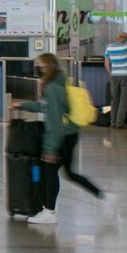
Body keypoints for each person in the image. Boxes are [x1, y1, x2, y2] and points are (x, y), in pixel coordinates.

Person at [13, 53, 105, 225]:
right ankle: (105, 197)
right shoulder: (60, 82)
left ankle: (49, 211)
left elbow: (54, 120)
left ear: (47, 67)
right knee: (69, 173)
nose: (36, 68)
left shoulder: (52, 88)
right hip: (71, 133)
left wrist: (50, 148)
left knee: (49, 171)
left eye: (39, 65)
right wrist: (23, 105)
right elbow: (47, 107)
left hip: (61, 135)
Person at [104, 32, 127, 128]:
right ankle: (119, 123)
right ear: (124, 38)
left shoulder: (109, 47)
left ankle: (113, 123)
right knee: (124, 100)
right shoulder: (126, 46)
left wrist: (110, 73)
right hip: (126, 75)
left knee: (114, 100)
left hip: (114, 75)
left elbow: (106, 63)